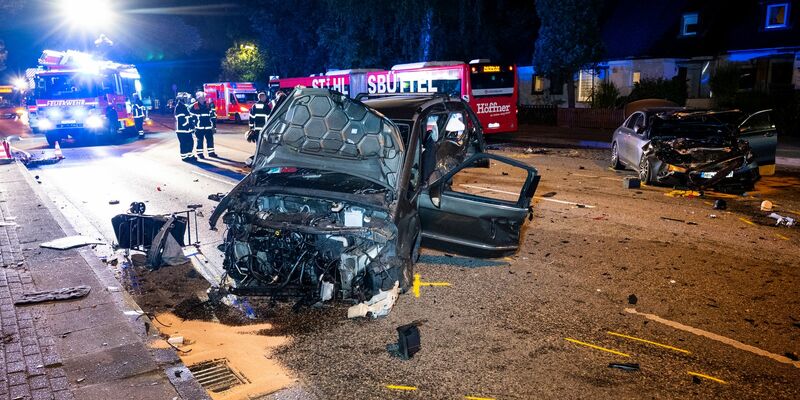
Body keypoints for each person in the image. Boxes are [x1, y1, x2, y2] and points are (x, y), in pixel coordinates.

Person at [190, 91, 217, 158]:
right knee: (200, 141)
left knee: (210, 140)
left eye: (204, 97)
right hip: (199, 127)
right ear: (198, 98)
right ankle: (200, 154)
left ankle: (211, 153)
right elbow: (191, 117)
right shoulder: (194, 106)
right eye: (202, 97)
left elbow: (213, 116)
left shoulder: (208, 105)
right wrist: (193, 127)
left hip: (208, 127)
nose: (204, 99)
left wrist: (214, 127)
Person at [174, 92, 195, 162]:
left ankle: (190, 155)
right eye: (185, 98)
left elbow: (189, 118)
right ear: (181, 99)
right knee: (184, 143)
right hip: (182, 130)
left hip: (187, 130)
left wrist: (192, 126)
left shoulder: (185, 107)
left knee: (190, 142)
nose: (187, 99)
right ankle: (184, 157)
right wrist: (189, 125)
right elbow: (182, 121)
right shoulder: (179, 107)